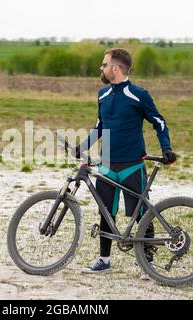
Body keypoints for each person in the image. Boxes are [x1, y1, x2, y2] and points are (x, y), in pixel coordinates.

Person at [76, 48, 177, 277]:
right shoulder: (102, 95)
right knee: (105, 213)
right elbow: (100, 125)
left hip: (132, 164)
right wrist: (81, 147)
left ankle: (147, 262)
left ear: (115, 68)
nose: (101, 69)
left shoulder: (139, 94)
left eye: (104, 65)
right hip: (107, 165)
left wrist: (166, 147)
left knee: (142, 213)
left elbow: (159, 122)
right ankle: (104, 260)